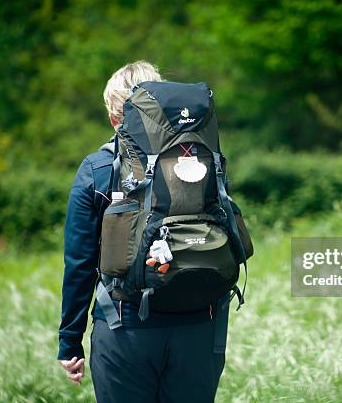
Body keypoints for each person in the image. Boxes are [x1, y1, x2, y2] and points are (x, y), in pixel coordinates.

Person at [57, 61, 228, 403]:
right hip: (200, 325)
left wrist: (70, 341)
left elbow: (80, 264)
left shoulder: (97, 168)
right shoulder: (203, 159)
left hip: (125, 327)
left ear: (113, 118)